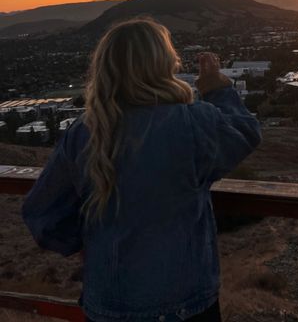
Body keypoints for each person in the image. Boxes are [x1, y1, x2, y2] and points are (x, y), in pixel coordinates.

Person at [22, 17, 262, 322]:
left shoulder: (85, 132)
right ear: (162, 64)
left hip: (108, 303)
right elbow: (246, 133)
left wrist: (91, 246)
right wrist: (217, 90)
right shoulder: (192, 122)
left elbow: (41, 214)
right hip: (185, 303)